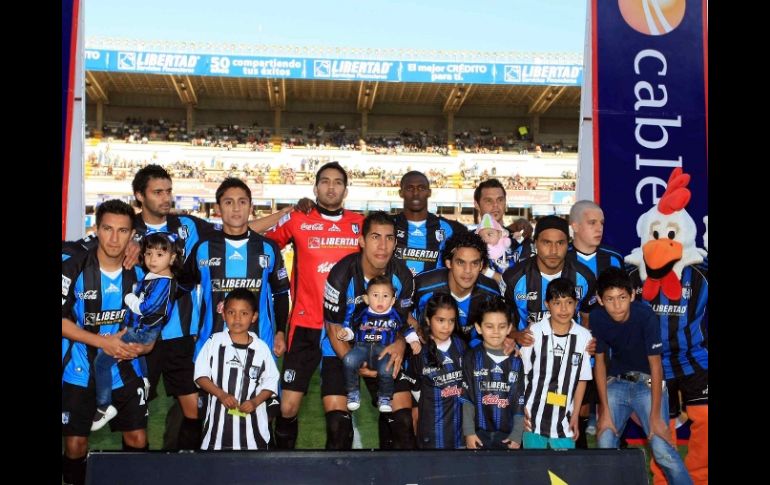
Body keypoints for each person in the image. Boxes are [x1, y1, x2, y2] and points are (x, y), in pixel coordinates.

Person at [264, 161, 364, 450]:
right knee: (287, 408)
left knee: (338, 411)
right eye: (325, 181)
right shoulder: (298, 219)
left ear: (345, 189)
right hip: (305, 326)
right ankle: (281, 470)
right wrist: (286, 211)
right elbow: (262, 243)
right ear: (315, 187)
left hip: (341, 329)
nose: (331, 187)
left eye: (337, 182)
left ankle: (338, 472)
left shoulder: (360, 223)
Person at [61, 200, 151, 485]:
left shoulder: (141, 274)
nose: (115, 238)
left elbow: (150, 324)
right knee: (75, 445)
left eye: (123, 231)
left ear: (132, 234)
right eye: (108, 229)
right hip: (79, 368)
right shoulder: (74, 268)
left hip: (125, 367)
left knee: (137, 438)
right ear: (96, 230)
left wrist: (145, 346)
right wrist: (103, 342)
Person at [591, 268, 692, 485]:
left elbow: (656, 367)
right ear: (600, 300)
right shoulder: (598, 318)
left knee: (661, 447)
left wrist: (655, 417)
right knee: (605, 442)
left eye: (622, 298)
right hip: (615, 384)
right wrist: (604, 411)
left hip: (648, 384)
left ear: (632, 296)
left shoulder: (645, 315)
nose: (617, 305)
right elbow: (598, 363)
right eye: (609, 299)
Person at [323, 211, 416, 449]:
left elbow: (401, 325)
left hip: (383, 345)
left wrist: (400, 345)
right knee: (337, 426)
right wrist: (355, 364)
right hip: (342, 348)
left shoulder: (403, 276)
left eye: (389, 238)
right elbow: (333, 328)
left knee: (403, 421)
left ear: (396, 242)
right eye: (375, 237)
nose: (382, 245)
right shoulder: (341, 273)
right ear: (362, 241)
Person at [180, 177, 290, 358]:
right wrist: (191, 329)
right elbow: (182, 288)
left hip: (260, 344)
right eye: (228, 202)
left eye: (242, 202)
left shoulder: (268, 248)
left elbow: (280, 293)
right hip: (211, 346)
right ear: (217, 209)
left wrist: (281, 332)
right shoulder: (203, 248)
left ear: (251, 207)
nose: (236, 208)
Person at [91, 232, 182, 431]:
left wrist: (129, 298)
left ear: (172, 258)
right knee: (132, 354)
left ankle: (104, 405)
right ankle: (145, 379)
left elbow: (146, 308)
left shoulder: (164, 281)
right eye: (149, 254)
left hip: (142, 330)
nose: (152, 259)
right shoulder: (156, 277)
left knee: (102, 362)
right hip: (140, 329)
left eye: (159, 255)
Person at [566, 199, 626, 446]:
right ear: (575, 226)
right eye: (592, 223)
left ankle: (614, 455)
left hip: (609, 351)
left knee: (611, 408)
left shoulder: (614, 258)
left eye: (601, 223)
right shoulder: (562, 259)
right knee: (578, 409)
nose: (598, 228)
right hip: (574, 350)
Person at [194, 289, 279, 450]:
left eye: (244, 313)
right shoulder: (214, 342)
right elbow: (200, 375)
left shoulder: (261, 348)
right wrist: (221, 394)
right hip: (216, 435)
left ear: (254, 316)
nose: (237, 318)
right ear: (223, 314)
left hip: (253, 435)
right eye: (231, 312)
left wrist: (255, 402)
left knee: (251, 474)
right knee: (215, 472)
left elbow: (271, 382)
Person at [519, 278, 593, 449]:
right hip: (532, 418)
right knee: (534, 470)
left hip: (564, 421)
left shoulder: (583, 337)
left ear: (576, 304)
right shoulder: (535, 333)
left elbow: (582, 379)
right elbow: (522, 373)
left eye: (569, 302)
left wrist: (576, 415)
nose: (564, 308)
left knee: (562, 472)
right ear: (547, 304)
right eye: (557, 303)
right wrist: (520, 408)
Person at [502, 215, 596, 345]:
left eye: (560, 243)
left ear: (568, 244)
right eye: (546, 242)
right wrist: (516, 336)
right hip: (528, 354)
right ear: (535, 244)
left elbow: (587, 319)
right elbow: (503, 320)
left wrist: (584, 345)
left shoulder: (585, 277)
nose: (553, 251)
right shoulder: (513, 278)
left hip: (570, 353)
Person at [338, 275, 418, 413]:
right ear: (366, 298)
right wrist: (346, 333)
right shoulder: (360, 313)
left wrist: (414, 340)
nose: (380, 300)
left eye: (385, 296)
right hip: (362, 347)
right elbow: (351, 326)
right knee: (348, 360)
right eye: (375, 295)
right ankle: (353, 393)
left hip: (383, 350)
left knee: (387, 369)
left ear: (393, 300)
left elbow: (406, 328)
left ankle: (385, 397)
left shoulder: (395, 315)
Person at [412, 231, 500, 349]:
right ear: (448, 263)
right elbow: (400, 311)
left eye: (474, 263)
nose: (467, 270)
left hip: (472, 357)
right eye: (460, 262)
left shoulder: (491, 293)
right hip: (427, 352)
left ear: (481, 265)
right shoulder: (423, 285)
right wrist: (416, 326)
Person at [460, 297, 525, 449]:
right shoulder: (471, 357)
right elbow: (466, 398)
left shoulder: (516, 360)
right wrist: (469, 432)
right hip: (478, 433)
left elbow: (518, 399)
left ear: (509, 328)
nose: (496, 332)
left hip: (507, 434)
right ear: (478, 327)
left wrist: (517, 434)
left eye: (501, 326)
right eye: (489, 326)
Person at [407, 294, 467, 449]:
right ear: (428, 320)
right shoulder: (419, 353)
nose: (446, 326)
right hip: (432, 433)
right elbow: (415, 390)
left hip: (461, 432)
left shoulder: (462, 347)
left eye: (451, 321)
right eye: (440, 320)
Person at [394, 170, 467, 276]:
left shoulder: (450, 228)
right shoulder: (389, 225)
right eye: (410, 188)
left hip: (434, 291)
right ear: (401, 193)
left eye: (421, 188)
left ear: (429, 192)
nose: (416, 193)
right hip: (394, 292)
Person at [475, 213, 512, 279]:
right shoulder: (479, 252)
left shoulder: (507, 250)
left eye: (489, 234)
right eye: (481, 237)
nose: (485, 239)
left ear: (500, 234)